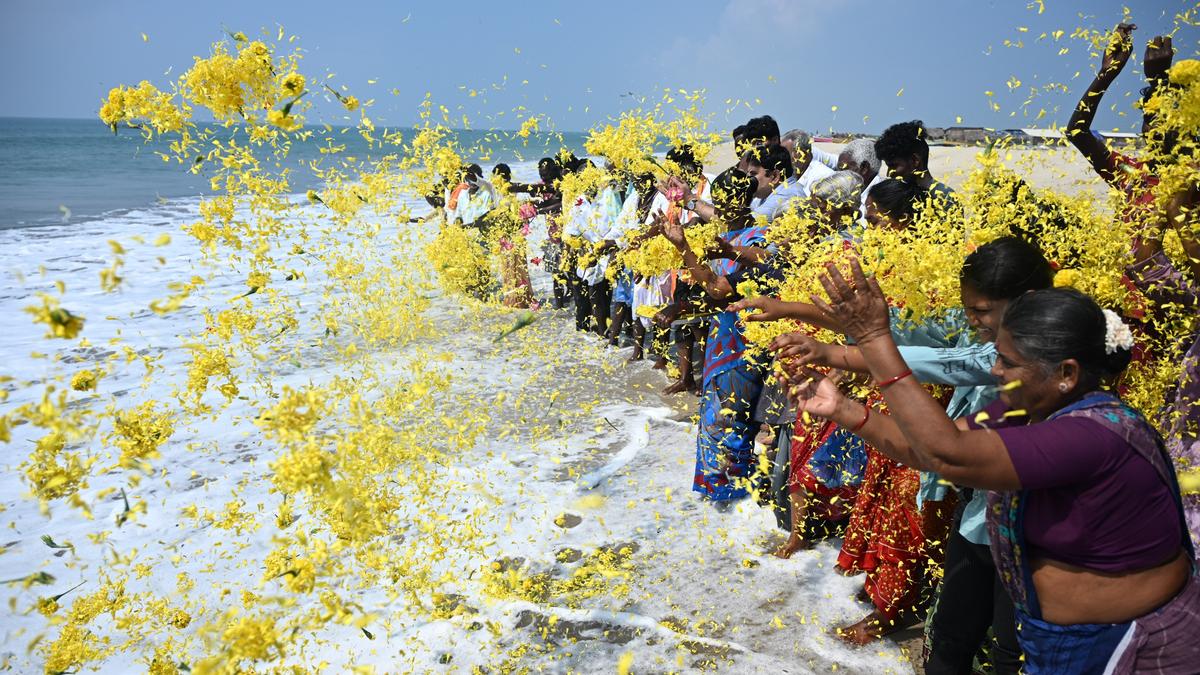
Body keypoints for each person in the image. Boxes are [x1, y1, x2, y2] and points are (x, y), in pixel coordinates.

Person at [784, 263, 1198, 673]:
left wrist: (876, 340)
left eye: (1008, 362)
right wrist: (840, 407)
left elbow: (949, 453)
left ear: (1066, 374)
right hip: (1061, 644)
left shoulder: (1097, 434)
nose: (996, 372)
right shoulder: (1025, 409)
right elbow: (926, 451)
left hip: (1128, 645)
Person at [661, 168, 773, 505]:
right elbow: (707, 292)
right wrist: (680, 305)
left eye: (722, 201)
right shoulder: (727, 228)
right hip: (721, 336)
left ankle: (734, 492)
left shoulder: (755, 238)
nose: (717, 208)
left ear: (738, 201)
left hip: (742, 342)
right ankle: (719, 490)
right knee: (716, 413)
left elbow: (720, 288)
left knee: (729, 416)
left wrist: (684, 249)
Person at [874, 120, 957, 208]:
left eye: (893, 166)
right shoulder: (896, 196)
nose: (889, 173)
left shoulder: (943, 198)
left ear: (915, 160)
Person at [780, 129, 836, 198]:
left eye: (785, 154)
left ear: (803, 155)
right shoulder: (789, 175)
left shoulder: (824, 178)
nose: (781, 158)